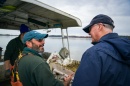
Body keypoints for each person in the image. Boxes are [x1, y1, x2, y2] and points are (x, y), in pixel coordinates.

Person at [72, 14, 130, 86]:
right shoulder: (126, 47)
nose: (89, 33)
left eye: (90, 29)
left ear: (99, 26)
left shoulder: (94, 53)